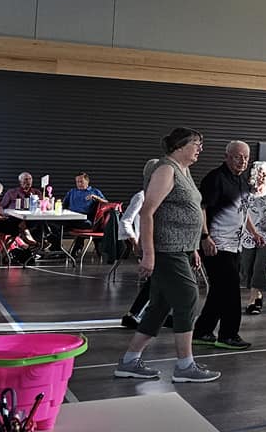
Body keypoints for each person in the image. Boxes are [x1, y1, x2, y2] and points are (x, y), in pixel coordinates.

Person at [113, 127, 221, 383]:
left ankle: (129, 361)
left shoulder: (184, 170)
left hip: (181, 249)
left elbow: (190, 210)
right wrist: (149, 254)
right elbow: (147, 212)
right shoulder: (166, 170)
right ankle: (185, 365)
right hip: (167, 249)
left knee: (159, 306)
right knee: (187, 298)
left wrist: (193, 247)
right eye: (196, 143)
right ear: (180, 145)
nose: (200, 148)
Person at [194, 140, 253, 351]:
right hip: (216, 244)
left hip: (235, 244)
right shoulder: (215, 178)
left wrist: (254, 233)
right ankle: (228, 334)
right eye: (238, 156)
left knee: (220, 290)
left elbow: (243, 210)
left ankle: (202, 331)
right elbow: (201, 208)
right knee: (230, 290)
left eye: (246, 157)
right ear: (227, 156)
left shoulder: (243, 181)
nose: (242, 161)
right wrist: (205, 236)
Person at [240, 161, 266, 316]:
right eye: (260, 173)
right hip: (248, 235)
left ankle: (254, 299)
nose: (262, 176)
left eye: (265, 173)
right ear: (254, 174)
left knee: (261, 266)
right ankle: (256, 295)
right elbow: (241, 214)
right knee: (247, 267)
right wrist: (253, 233)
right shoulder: (245, 192)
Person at [119, 161, 154, 329]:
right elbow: (126, 220)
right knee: (156, 281)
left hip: (158, 243)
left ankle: (144, 313)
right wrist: (135, 241)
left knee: (160, 281)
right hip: (146, 244)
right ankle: (135, 313)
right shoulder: (141, 196)